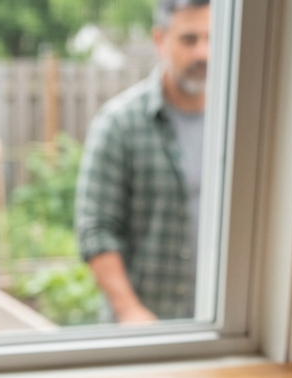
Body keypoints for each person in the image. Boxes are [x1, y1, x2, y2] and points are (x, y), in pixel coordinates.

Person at [75, 0, 210, 322]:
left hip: (218, 329)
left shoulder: (241, 122)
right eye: (189, 40)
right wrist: (130, 311)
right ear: (160, 40)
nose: (203, 54)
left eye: (212, 39)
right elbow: (97, 229)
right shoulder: (119, 124)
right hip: (145, 329)